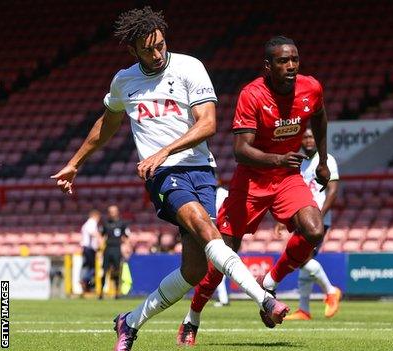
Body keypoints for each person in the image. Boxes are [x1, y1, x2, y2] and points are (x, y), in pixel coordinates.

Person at [50, 7, 288, 351]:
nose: (158, 52)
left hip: (201, 170)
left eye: (161, 44)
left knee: (193, 270)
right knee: (209, 232)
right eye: (148, 49)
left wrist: (165, 149)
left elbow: (207, 123)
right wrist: (75, 162)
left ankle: (129, 322)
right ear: (133, 50)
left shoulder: (190, 67)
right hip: (163, 175)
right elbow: (108, 123)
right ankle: (263, 299)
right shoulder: (124, 81)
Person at [176, 35, 330, 346]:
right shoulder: (252, 94)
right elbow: (240, 150)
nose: (290, 66)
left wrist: (322, 161)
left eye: (294, 60)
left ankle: (270, 282)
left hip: (287, 177)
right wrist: (277, 158)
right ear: (268, 66)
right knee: (222, 256)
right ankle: (193, 316)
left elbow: (321, 118)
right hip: (251, 181)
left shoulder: (311, 87)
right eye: (283, 61)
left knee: (314, 231)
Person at [277, 128, 341, 320]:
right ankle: (304, 309)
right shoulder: (300, 162)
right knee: (303, 261)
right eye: (304, 137)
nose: (308, 140)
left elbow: (333, 191)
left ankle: (331, 291)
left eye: (311, 136)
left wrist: (319, 216)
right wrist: (285, 219)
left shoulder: (326, 159)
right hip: (302, 219)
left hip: (317, 221)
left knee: (302, 259)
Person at [99, 205, 131, 300]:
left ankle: (117, 292)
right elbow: (102, 237)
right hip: (108, 249)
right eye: (110, 211)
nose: (112, 213)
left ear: (117, 212)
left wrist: (127, 249)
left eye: (113, 211)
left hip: (117, 249)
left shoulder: (122, 223)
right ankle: (101, 292)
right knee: (104, 271)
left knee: (117, 271)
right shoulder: (105, 223)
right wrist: (99, 250)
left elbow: (126, 237)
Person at [80, 210, 101, 294]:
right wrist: (100, 238)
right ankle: (85, 280)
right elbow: (93, 233)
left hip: (86, 248)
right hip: (89, 248)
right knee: (92, 267)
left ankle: (87, 284)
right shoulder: (91, 223)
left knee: (87, 266)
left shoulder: (86, 224)